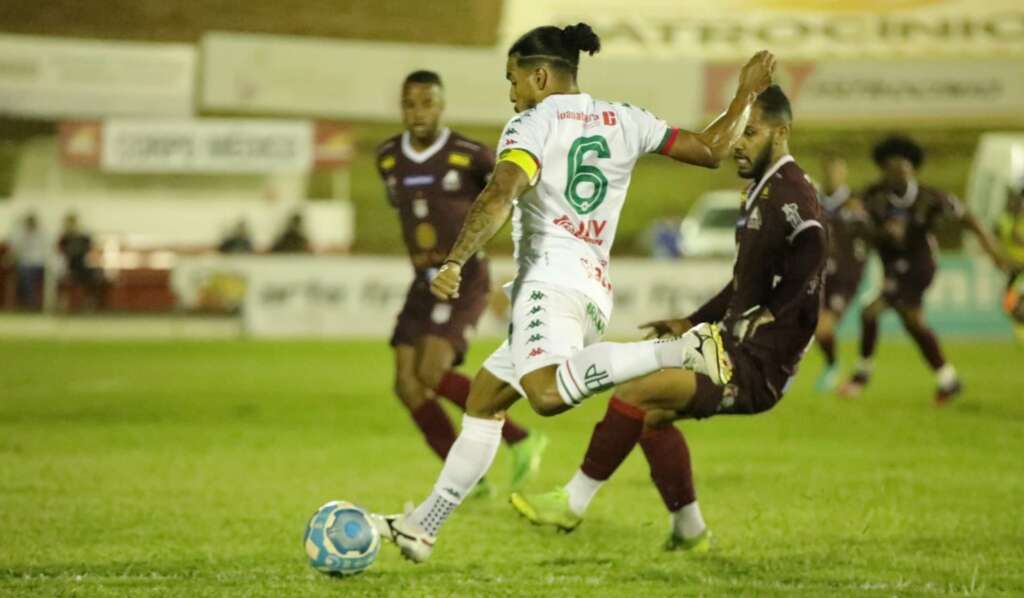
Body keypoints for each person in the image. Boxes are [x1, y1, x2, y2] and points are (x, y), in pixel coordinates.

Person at [371, 22, 775, 563]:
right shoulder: (627, 118)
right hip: (591, 290)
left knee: (544, 395)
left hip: (549, 280)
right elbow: (710, 148)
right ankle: (424, 526)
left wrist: (455, 259)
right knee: (484, 399)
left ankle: (683, 351)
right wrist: (747, 92)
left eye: (514, 80)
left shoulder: (531, 124)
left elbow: (500, 193)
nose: (511, 93)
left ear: (539, 76)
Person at [509, 85, 826, 552]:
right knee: (652, 415)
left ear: (781, 133)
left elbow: (814, 248)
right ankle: (690, 530)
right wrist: (691, 321)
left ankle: (571, 503)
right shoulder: (761, 192)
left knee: (636, 389)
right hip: (736, 348)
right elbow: (744, 284)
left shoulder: (790, 191)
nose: (738, 142)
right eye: (739, 131)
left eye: (751, 132)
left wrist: (776, 311)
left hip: (760, 363)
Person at [376, 70, 546, 495]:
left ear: (442, 106)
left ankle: (521, 438)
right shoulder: (387, 157)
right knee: (406, 385)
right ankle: (470, 480)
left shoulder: (470, 155)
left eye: (427, 103)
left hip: (463, 276)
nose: (418, 112)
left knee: (431, 372)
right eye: (410, 103)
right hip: (422, 281)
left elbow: (506, 198)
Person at [838, 136, 1010, 404]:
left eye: (903, 168)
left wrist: (992, 251)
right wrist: (874, 231)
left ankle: (861, 375)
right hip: (892, 267)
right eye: (891, 169)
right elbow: (851, 218)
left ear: (912, 169)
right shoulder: (872, 196)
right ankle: (948, 380)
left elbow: (968, 218)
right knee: (911, 322)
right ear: (884, 170)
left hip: (921, 265)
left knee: (872, 312)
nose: (897, 174)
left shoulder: (930, 197)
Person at [813, 154, 871, 391]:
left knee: (822, 325)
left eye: (838, 172)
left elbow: (870, 236)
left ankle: (832, 366)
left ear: (844, 174)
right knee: (810, 327)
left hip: (845, 278)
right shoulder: (813, 200)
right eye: (830, 171)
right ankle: (830, 364)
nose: (833, 176)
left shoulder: (855, 203)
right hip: (817, 274)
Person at [57, 212, 105, 310]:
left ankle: (89, 302)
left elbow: (91, 250)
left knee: (94, 277)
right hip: (67, 267)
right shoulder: (64, 237)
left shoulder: (83, 237)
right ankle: (63, 302)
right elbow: (59, 252)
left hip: (82, 266)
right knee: (63, 279)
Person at [996, 178, 1024, 340]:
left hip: (1021, 268)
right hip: (1013, 267)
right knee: (1008, 303)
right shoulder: (1005, 220)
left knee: (1017, 300)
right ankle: (1020, 327)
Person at [6, 213, 47, 310]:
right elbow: (15, 247)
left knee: (26, 274)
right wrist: (17, 225)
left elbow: (45, 252)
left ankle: (30, 301)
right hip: (24, 264)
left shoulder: (42, 234)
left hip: (39, 264)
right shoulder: (22, 234)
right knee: (24, 272)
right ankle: (29, 301)